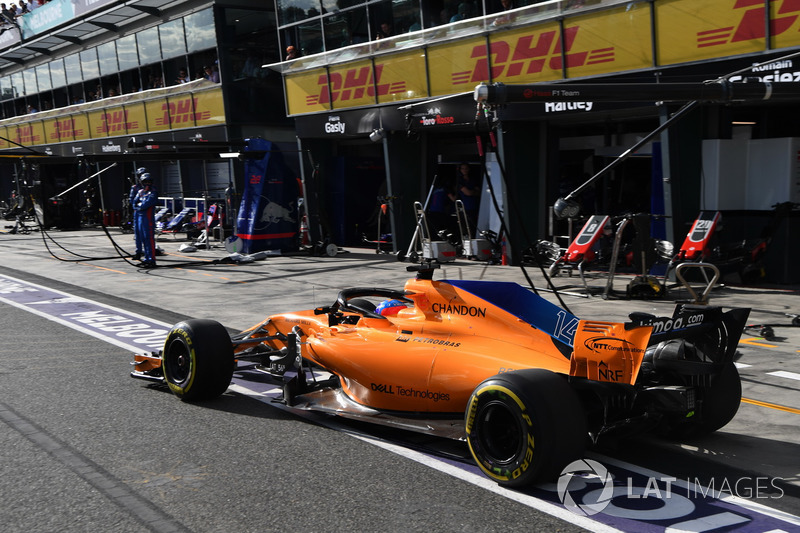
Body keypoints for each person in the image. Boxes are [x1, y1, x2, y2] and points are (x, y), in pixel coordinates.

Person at [132, 173, 158, 268]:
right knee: (141, 238)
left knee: (149, 239)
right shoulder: (140, 192)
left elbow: (144, 205)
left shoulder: (153, 192)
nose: (147, 183)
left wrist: (140, 204)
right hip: (139, 217)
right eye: (145, 181)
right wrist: (139, 205)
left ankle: (151, 260)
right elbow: (134, 203)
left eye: (149, 181)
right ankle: (146, 259)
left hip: (148, 219)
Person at [456, 163, 480, 234]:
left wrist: (472, 192)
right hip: (464, 207)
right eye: (462, 169)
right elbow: (468, 193)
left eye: (466, 168)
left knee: (474, 226)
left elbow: (479, 192)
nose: (464, 170)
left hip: (474, 206)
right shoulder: (460, 181)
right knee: (467, 227)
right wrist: (473, 192)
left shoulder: (473, 179)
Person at [128, 167, 147, 261]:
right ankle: (138, 252)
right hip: (138, 213)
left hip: (147, 213)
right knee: (138, 234)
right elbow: (132, 201)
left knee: (147, 235)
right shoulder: (135, 188)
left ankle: (149, 253)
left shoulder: (151, 188)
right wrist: (138, 207)